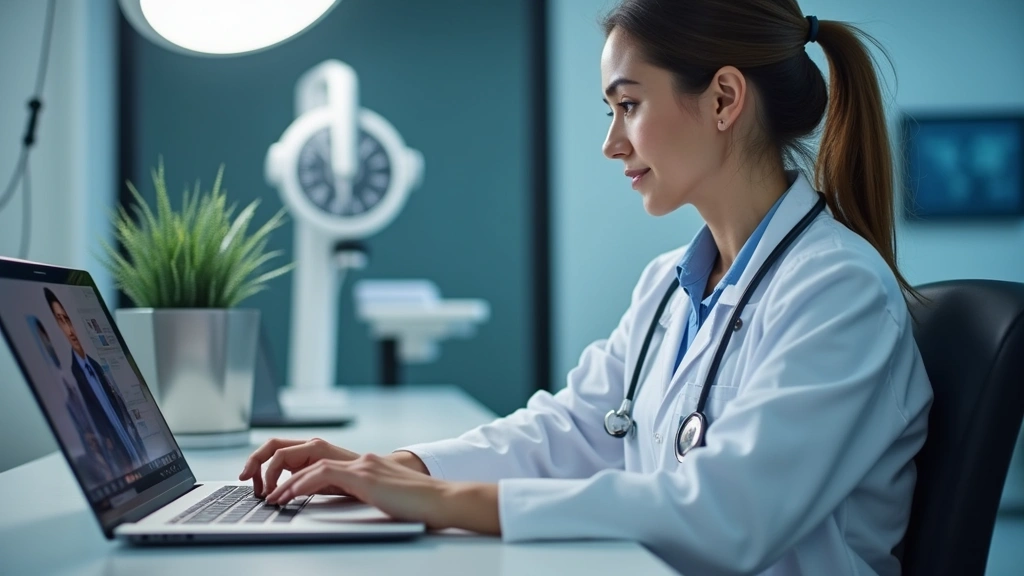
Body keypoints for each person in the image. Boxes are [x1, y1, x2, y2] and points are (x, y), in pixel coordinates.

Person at [239, 1, 933, 574]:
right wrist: (395, 466)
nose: (611, 142)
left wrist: (440, 498)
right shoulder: (669, 286)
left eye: (627, 105)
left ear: (724, 99)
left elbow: (726, 517)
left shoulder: (840, 294)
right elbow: (572, 430)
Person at [44, 288, 149, 475]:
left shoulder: (101, 368)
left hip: (143, 462)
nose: (70, 330)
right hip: (120, 471)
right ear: (57, 328)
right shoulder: (72, 381)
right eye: (61, 321)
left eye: (69, 320)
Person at [32, 317, 115, 486]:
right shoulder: (52, 386)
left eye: (49, 338)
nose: (50, 345)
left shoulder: (71, 375)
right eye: (44, 341)